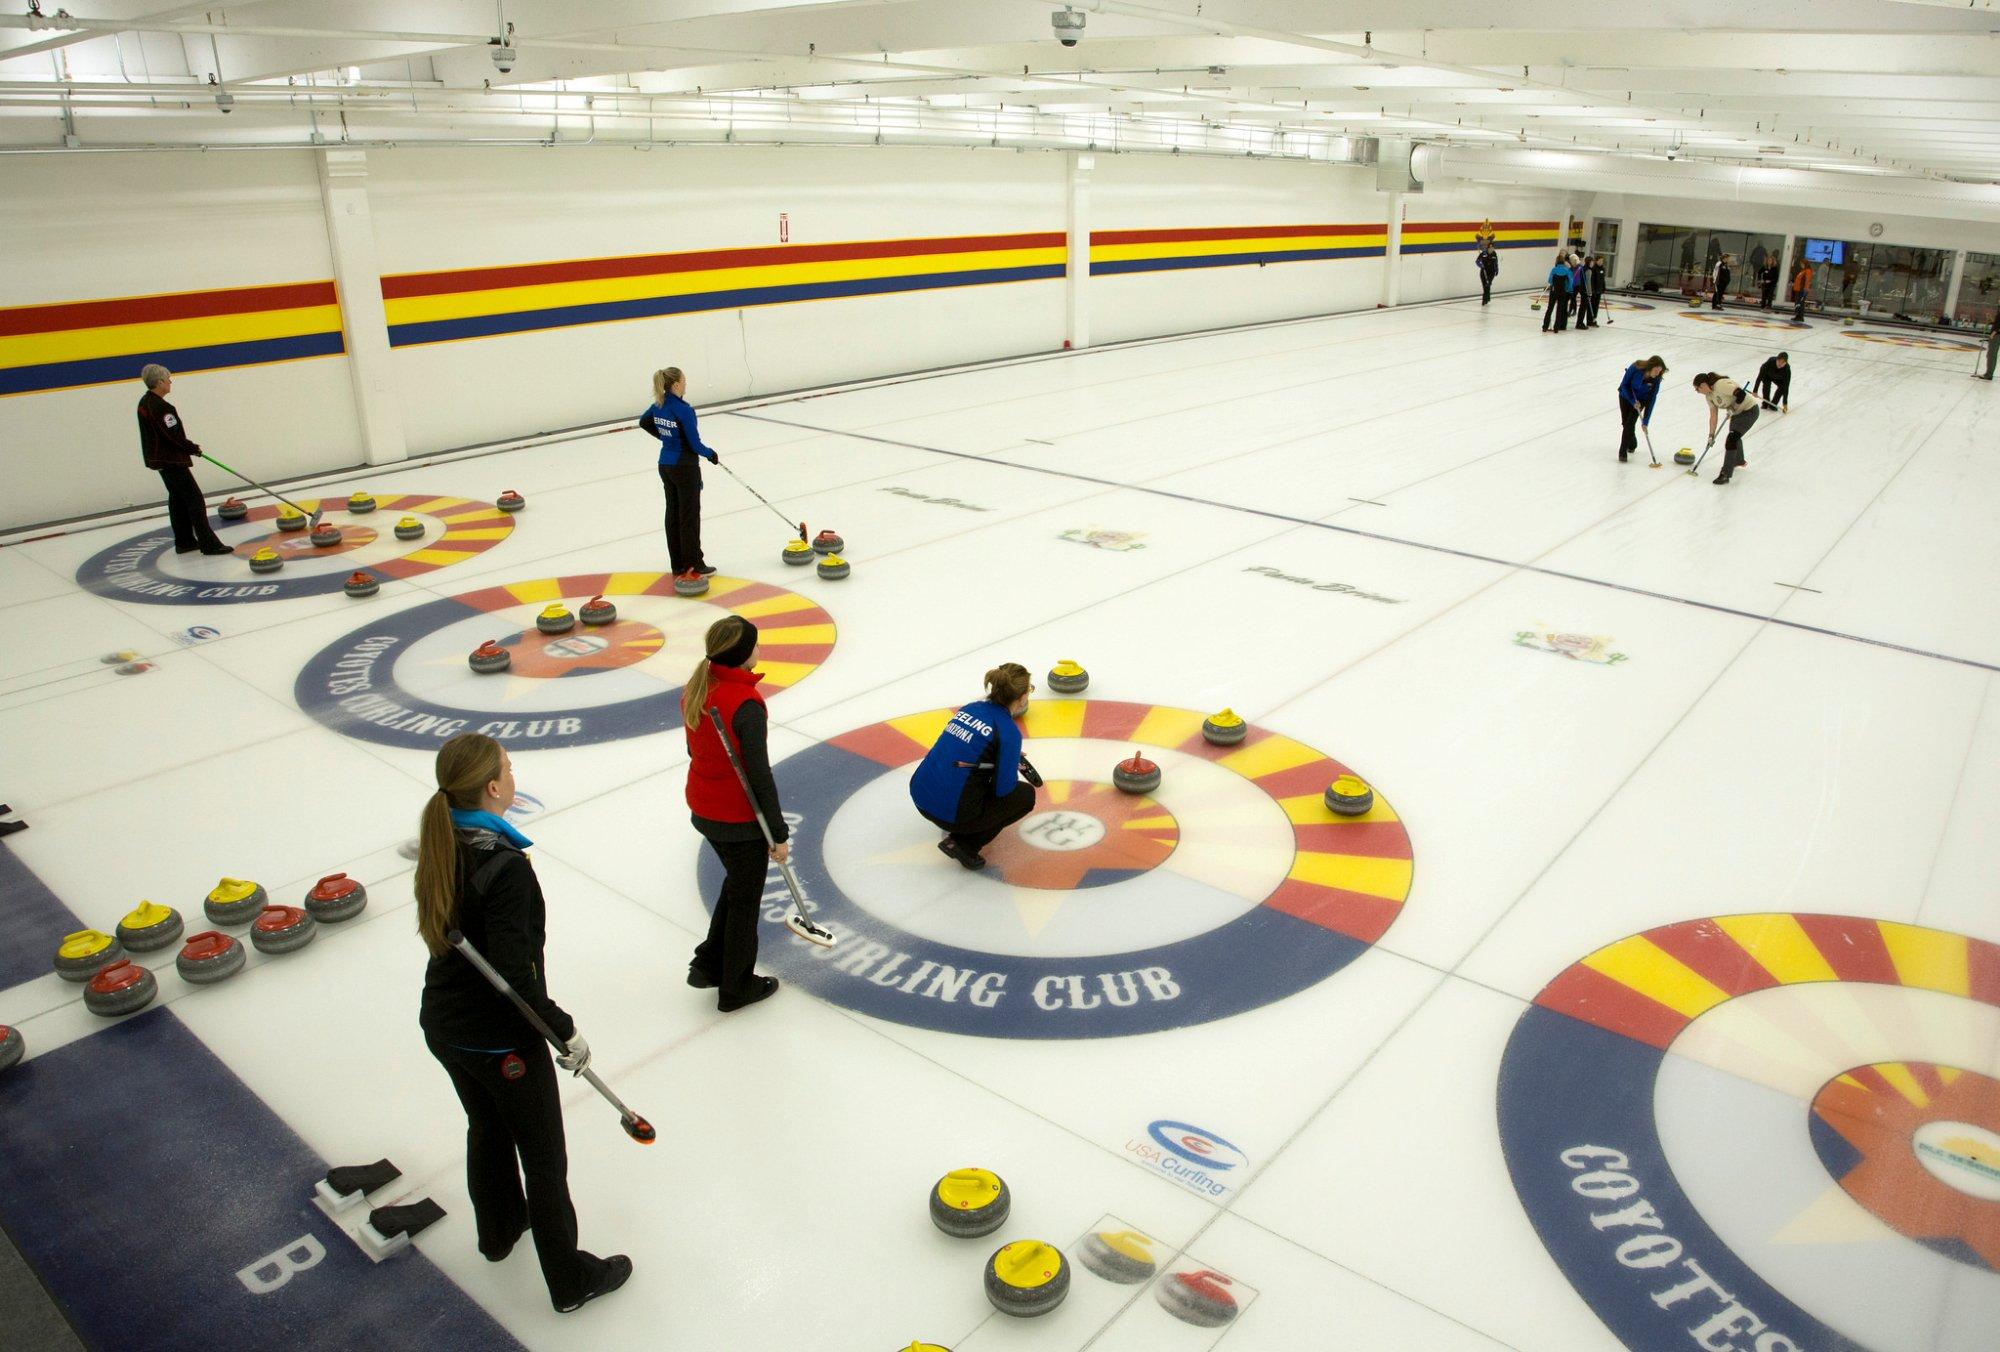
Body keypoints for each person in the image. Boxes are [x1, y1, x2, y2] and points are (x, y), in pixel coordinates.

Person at [415, 733, 631, 1314]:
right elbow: (516, 977)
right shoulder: (504, 866)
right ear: (492, 787)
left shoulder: (446, 841)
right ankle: (570, 1279)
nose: (514, 776)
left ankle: (499, 1231)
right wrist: (564, 1030)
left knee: (485, 1126)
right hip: (496, 1039)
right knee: (543, 1156)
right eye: (508, 769)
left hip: (444, 1025)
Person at [682, 615, 785, 1012]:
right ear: (744, 655)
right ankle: (737, 986)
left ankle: (710, 962)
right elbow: (759, 775)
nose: (760, 650)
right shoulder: (745, 705)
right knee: (745, 902)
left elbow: (694, 750)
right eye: (756, 645)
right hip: (738, 820)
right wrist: (777, 834)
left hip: (704, 807)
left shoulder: (698, 686)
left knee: (737, 885)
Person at [909, 663, 1040, 871]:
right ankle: (963, 844)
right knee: (1024, 796)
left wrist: (997, 757)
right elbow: (1004, 790)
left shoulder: (969, 709)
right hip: (950, 814)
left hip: (919, 795)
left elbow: (963, 749)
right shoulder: (1008, 732)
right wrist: (1006, 761)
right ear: (1023, 697)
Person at [135, 366, 232, 556]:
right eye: (168, 379)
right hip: (172, 461)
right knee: (194, 499)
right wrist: (192, 448)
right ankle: (209, 544)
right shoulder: (162, 408)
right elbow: (171, 436)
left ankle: (185, 541)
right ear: (160, 382)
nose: (170, 382)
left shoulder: (145, 402)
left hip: (160, 461)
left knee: (178, 500)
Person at [638, 367, 719, 580]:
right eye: (684, 381)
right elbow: (694, 443)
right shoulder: (684, 410)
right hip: (684, 468)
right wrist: (710, 454)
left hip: (665, 465)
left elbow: (644, 421)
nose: (686, 384)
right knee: (689, 516)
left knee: (673, 514)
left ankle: (678, 564)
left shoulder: (659, 403)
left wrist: (668, 439)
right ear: (675, 385)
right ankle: (694, 563)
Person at [1693, 373, 1760, 486]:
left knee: (1732, 439)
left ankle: (1725, 474)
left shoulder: (1720, 385)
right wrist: (1711, 435)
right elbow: (1713, 415)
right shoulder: (1709, 396)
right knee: (1734, 436)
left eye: (1697, 389)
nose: (1697, 392)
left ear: (1703, 385)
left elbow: (1741, 394)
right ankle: (1739, 461)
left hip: (1749, 410)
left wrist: (1733, 408)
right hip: (1737, 414)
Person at [1616, 357, 1667, 462]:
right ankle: (1632, 443)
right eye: (1656, 371)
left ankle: (1622, 452)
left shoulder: (1656, 380)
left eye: (1659, 371)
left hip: (1641, 401)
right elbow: (1624, 385)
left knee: (1630, 424)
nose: (1657, 374)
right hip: (1626, 397)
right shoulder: (1635, 367)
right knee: (1625, 423)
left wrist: (1645, 421)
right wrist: (1632, 401)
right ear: (1650, 367)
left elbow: (1652, 399)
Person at [1543, 254, 1572, 333]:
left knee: (1550, 309)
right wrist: (1568, 289)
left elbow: (1550, 281)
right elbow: (1570, 281)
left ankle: (1545, 326)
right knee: (1559, 309)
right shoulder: (1566, 270)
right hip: (1562, 292)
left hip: (1554, 291)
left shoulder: (1554, 270)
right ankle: (1556, 328)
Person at [1582, 254, 1607, 328]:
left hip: (1599, 290)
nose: (1601, 262)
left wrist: (1603, 288)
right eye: (1600, 261)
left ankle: (1593, 319)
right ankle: (1589, 320)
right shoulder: (1593, 269)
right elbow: (1591, 281)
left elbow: (1602, 280)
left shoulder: (1602, 269)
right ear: (1596, 261)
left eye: (1602, 261)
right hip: (1594, 291)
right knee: (1591, 306)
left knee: (1596, 306)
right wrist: (1592, 290)